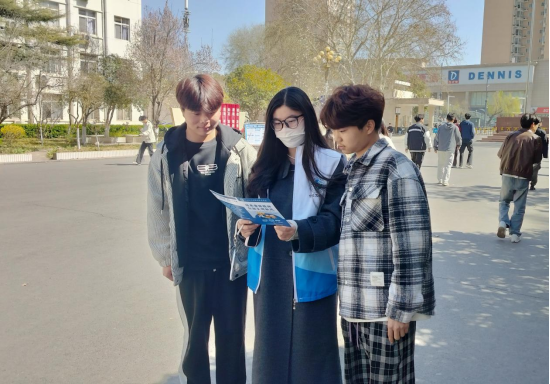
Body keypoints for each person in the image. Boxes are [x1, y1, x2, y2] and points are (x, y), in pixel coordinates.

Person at [320, 84, 435, 384]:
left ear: (369, 126)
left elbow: (412, 247)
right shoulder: (354, 167)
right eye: (332, 130)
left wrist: (401, 309)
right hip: (355, 308)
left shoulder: (396, 169)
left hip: (386, 313)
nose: (335, 137)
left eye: (342, 130)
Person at [147, 74, 257, 384]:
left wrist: (254, 223)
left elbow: (257, 195)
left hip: (232, 264)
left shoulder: (238, 149)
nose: (205, 120)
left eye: (211, 111)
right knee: (195, 343)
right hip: (191, 264)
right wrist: (165, 256)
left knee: (232, 340)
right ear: (182, 110)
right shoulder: (166, 153)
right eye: (196, 112)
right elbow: (157, 207)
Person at [238, 87, 346, 384]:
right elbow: (252, 211)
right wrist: (245, 229)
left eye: (291, 120)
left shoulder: (331, 163)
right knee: (270, 355)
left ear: (307, 118)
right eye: (277, 123)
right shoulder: (264, 165)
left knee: (311, 358)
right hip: (269, 274)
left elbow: (335, 221)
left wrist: (299, 230)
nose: (285, 128)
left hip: (310, 273)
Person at [497, 114, 543, 243]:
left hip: (507, 173)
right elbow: (536, 161)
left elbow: (501, 154)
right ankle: (515, 234)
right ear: (533, 124)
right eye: (537, 124)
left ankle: (503, 222)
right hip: (523, 175)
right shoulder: (536, 139)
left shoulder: (510, 136)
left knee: (504, 201)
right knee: (519, 206)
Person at [434, 113, 462, 186]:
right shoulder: (455, 128)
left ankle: (440, 179)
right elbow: (458, 137)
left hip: (441, 148)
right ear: (453, 119)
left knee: (440, 164)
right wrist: (459, 144)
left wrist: (435, 146)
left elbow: (436, 137)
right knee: (448, 165)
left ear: (446, 119)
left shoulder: (441, 127)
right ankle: (445, 181)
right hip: (450, 149)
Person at [531, 118, 548, 191]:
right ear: (539, 123)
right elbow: (545, 144)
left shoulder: (527, 131)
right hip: (537, 155)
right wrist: (545, 155)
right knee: (535, 170)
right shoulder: (542, 132)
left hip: (526, 153)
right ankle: (532, 184)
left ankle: (524, 183)